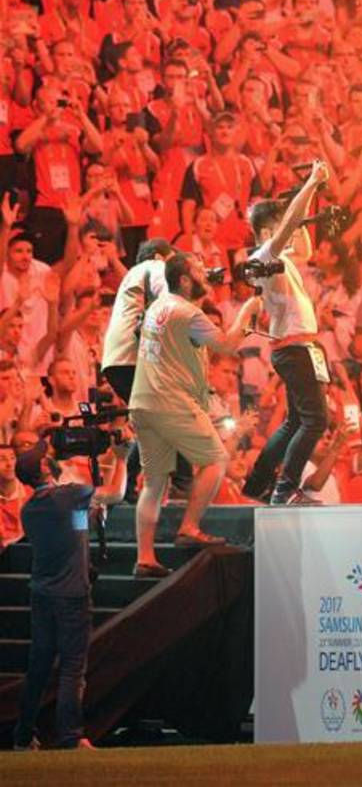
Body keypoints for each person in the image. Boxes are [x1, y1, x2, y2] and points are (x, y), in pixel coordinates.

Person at [128, 253, 262, 577]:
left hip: (143, 402)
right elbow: (228, 345)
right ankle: (189, 527)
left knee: (155, 481)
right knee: (216, 459)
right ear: (185, 280)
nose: (206, 273)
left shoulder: (158, 306)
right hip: (172, 402)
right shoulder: (189, 313)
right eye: (198, 271)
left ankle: (144, 557)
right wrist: (248, 309)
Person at [239, 161, 332, 504]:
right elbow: (290, 225)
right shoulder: (265, 253)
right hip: (295, 347)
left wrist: (300, 201)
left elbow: (304, 246)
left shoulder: (279, 257)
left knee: (295, 421)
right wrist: (309, 186)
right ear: (266, 232)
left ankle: (259, 484)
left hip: (295, 346)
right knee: (315, 421)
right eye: (281, 227)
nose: (290, 231)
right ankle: (286, 487)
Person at [10, 450, 102, 750]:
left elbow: (74, 530)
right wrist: (119, 459)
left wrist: (86, 517)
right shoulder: (68, 495)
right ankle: (70, 737)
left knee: (39, 667)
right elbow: (110, 492)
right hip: (71, 596)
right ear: (43, 468)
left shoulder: (30, 508)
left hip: (43, 594)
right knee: (73, 667)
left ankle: (23, 736)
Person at [98, 237, 175, 498]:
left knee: (151, 422)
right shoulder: (152, 267)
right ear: (159, 256)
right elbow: (167, 291)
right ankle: (170, 481)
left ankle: (132, 486)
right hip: (128, 359)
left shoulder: (131, 278)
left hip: (119, 359)